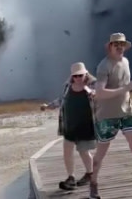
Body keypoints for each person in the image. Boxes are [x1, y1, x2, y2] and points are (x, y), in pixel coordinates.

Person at [88, 32, 132, 199]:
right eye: (116, 44)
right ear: (110, 47)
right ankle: (93, 184)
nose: (119, 47)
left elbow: (123, 86)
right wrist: (125, 89)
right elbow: (100, 92)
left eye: (122, 44)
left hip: (127, 110)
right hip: (107, 115)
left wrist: (128, 90)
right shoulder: (104, 66)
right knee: (101, 153)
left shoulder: (126, 62)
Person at [40, 62, 97, 191]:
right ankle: (71, 178)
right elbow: (60, 100)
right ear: (72, 76)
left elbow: (100, 95)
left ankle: (90, 173)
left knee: (84, 152)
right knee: (67, 152)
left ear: (86, 74)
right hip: (69, 125)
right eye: (75, 76)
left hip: (86, 125)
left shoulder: (92, 85)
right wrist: (48, 106)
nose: (78, 78)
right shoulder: (67, 87)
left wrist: (94, 94)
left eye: (80, 75)